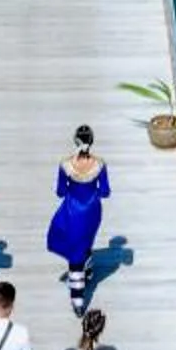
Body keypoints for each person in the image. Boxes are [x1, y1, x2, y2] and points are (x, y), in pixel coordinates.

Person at [45, 125, 110, 318]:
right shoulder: (100, 164)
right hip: (92, 210)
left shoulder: (65, 165)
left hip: (73, 210)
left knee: (74, 253)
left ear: (75, 141)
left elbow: (60, 192)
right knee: (85, 242)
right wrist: (92, 194)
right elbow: (105, 192)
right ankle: (87, 268)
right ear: (91, 142)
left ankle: (78, 299)